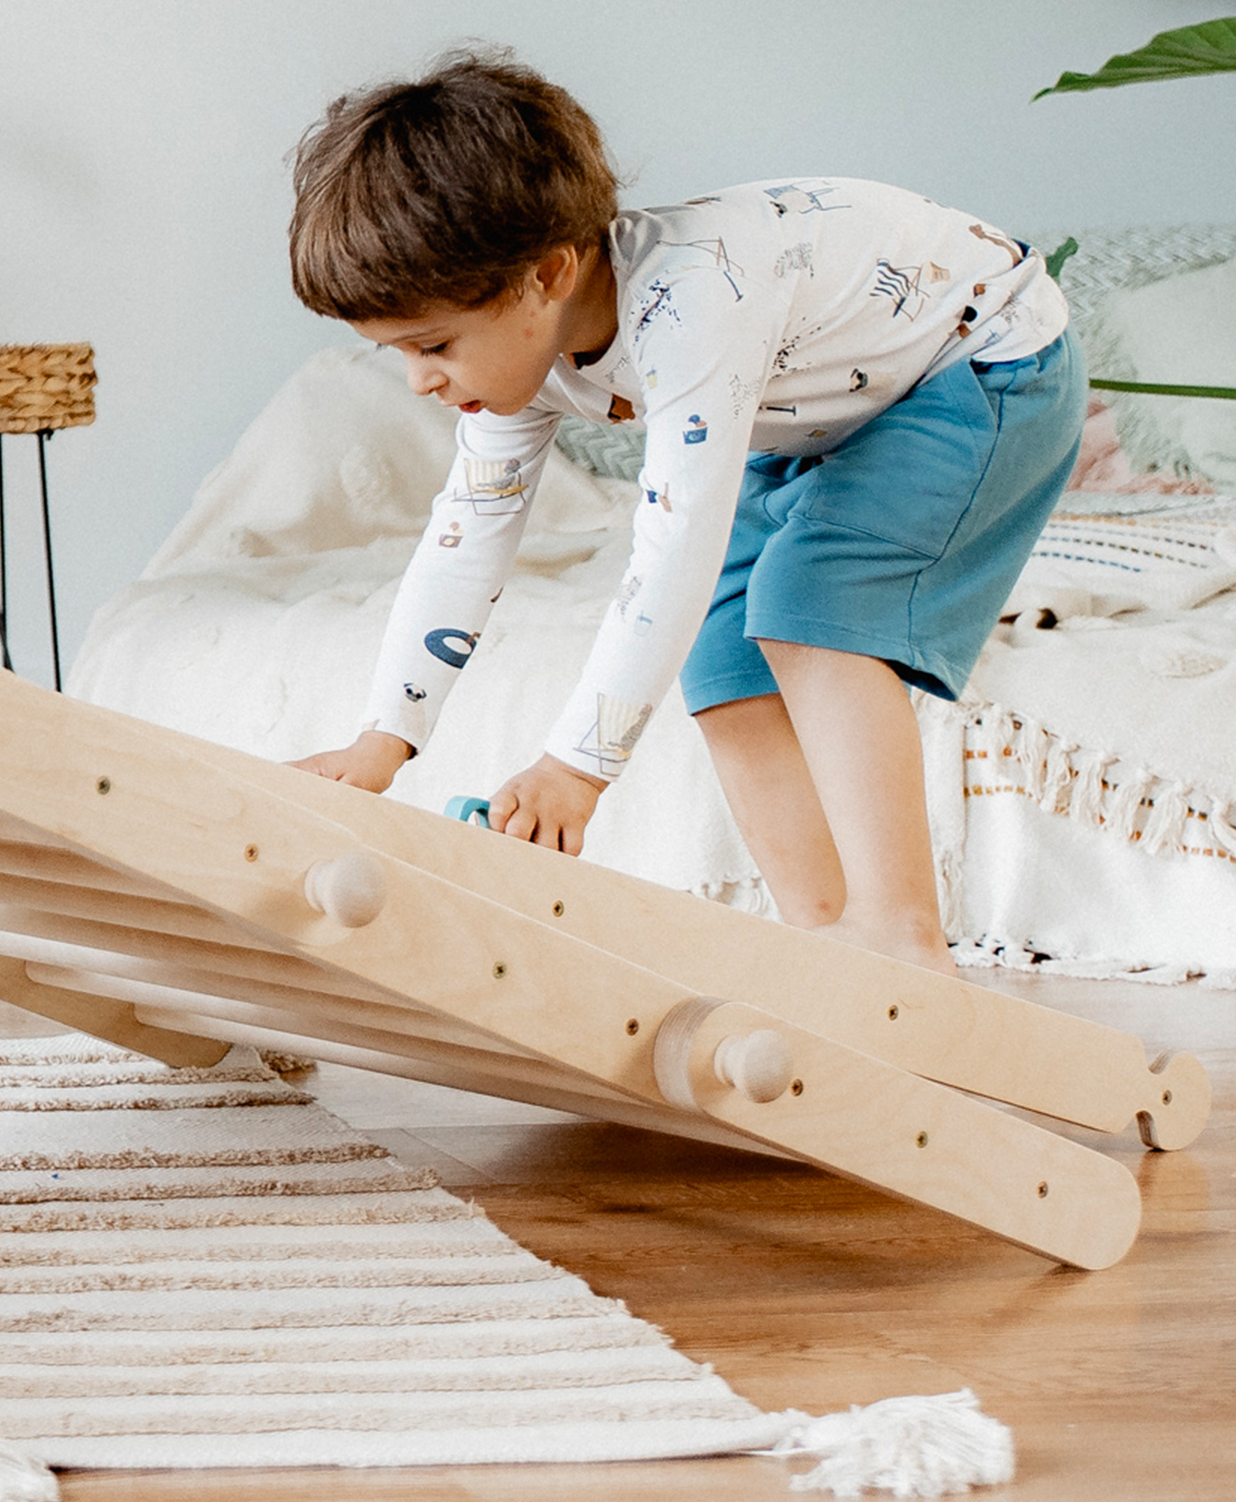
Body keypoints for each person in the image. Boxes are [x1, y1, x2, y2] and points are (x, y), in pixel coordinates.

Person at [284, 49, 1080, 971]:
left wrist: (577, 766)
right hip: (826, 416)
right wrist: (385, 738)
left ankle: (901, 940)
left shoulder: (692, 305)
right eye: (399, 353)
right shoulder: (516, 370)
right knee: (718, 639)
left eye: (433, 344)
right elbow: (463, 545)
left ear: (545, 275)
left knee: (811, 611)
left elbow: (672, 550)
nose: (420, 380)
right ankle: (823, 937)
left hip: (979, 361)